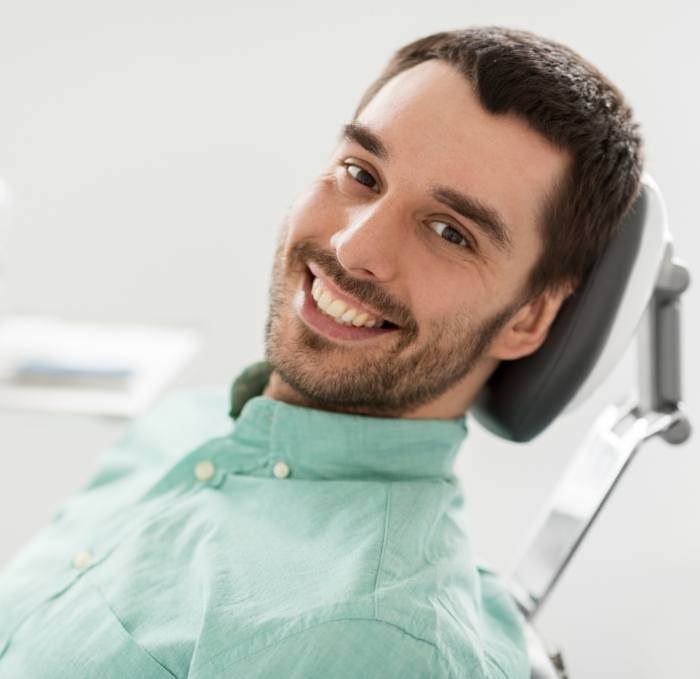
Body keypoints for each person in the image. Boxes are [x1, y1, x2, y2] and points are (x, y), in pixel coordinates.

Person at [0, 26, 642, 678]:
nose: (353, 247)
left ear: (529, 317)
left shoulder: (369, 639)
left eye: (450, 232)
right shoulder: (183, 427)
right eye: (362, 173)